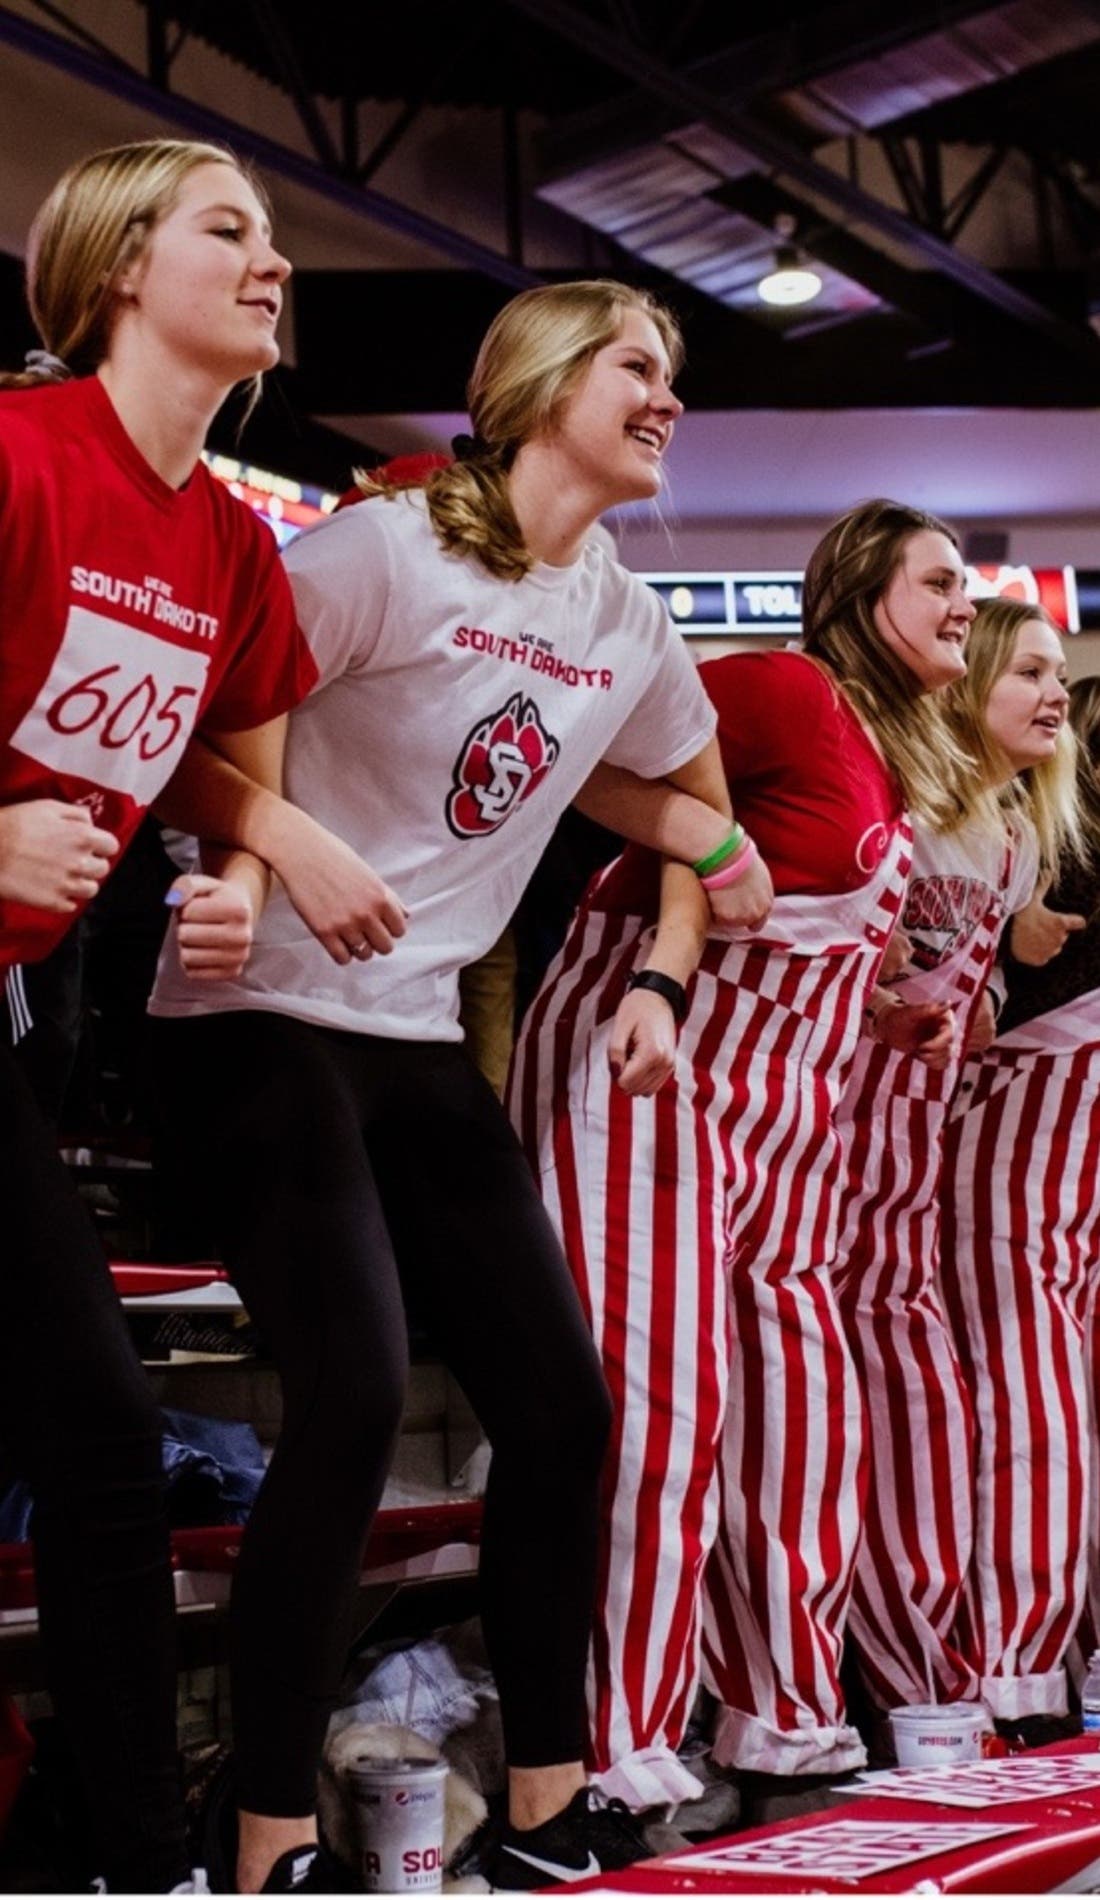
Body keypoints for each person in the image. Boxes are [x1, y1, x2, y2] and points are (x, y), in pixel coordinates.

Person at [147, 278, 772, 1893]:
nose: (668, 398)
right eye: (639, 366)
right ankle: (267, 1833)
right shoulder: (376, 552)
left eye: (674, 373)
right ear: (545, 382)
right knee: (351, 1397)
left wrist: (663, 973)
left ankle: (552, 1818)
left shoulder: (625, 616)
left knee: (563, 1415)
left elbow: (698, 814)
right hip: (254, 1016)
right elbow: (182, 731)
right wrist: (276, 845)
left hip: (419, 1040)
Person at [509, 499, 975, 1822]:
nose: (964, 603)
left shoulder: (887, 752)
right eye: (939, 579)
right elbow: (582, 756)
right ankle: (616, 1750)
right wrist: (690, 884)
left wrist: (884, 1005)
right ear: (857, 590)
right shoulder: (780, 687)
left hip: (786, 1124)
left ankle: (783, 1722)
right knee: (663, 1424)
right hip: (655, 1078)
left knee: (804, 1429)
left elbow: (795, 917)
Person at [0, 138, 329, 1893]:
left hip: (16, 1034)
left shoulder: (227, 542)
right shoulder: (11, 456)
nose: (274, 263)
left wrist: (246, 878)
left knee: (106, 1450)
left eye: (279, 238)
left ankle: (136, 1862)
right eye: (231, 231)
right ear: (122, 264)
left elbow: (239, 762)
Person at [833, 598, 1078, 1725]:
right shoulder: (896, 807)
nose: (1053, 690)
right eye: (1025, 669)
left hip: (910, 1161)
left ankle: (987, 1675)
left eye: (1056, 670)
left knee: (985, 1387)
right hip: (821, 1146)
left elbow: (953, 997)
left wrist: (973, 995)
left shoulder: (1021, 836)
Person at [937, 669, 1099, 1741]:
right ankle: (1045, 1656)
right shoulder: (999, 815)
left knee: (1022, 1364)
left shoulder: (1040, 817)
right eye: (1027, 670)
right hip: (1054, 1061)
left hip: (1046, 1063)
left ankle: (1022, 1664)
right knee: (1048, 1362)